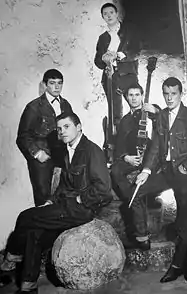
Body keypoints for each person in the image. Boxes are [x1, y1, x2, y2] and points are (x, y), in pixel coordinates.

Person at [0, 111, 113, 293]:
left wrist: (80, 198)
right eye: (59, 129)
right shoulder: (67, 150)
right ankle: (28, 286)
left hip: (80, 210)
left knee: (25, 217)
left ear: (79, 127)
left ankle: (10, 260)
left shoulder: (92, 151)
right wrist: (51, 201)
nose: (62, 132)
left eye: (66, 127)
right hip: (65, 206)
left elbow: (104, 189)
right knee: (34, 233)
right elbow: (63, 186)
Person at [133, 77, 187, 283]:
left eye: (173, 94)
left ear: (180, 94)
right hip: (166, 171)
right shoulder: (162, 118)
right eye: (166, 94)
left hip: (184, 175)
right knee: (138, 191)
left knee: (183, 221)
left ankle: (177, 266)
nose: (169, 98)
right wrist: (147, 170)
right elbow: (157, 146)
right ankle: (142, 237)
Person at [110, 83, 160, 249]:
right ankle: (132, 200)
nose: (133, 98)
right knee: (115, 170)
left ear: (142, 95)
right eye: (130, 95)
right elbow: (120, 146)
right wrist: (127, 158)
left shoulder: (151, 112)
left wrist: (156, 111)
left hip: (150, 159)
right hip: (134, 159)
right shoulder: (124, 121)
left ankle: (142, 234)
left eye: (137, 95)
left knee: (139, 188)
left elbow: (165, 120)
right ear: (126, 97)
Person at [16, 69, 73, 206]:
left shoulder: (66, 105)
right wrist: (37, 153)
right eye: (52, 83)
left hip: (61, 157)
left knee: (63, 195)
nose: (56, 87)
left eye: (60, 83)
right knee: (43, 198)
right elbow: (22, 137)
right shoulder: (34, 107)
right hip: (42, 160)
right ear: (45, 85)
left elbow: (72, 129)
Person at [94, 2, 141, 128]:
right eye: (105, 14)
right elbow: (97, 61)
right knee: (115, 114)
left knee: (137, 108)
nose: (109, 16)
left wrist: (119, 55)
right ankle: (117, 141)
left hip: (128, 75)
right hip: (110, 78)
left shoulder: (129, 30)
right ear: (102, 17)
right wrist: (104, 59)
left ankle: (138, 139)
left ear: (116, 14)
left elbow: (136, 51)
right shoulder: (103, 38)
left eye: (111, 12)